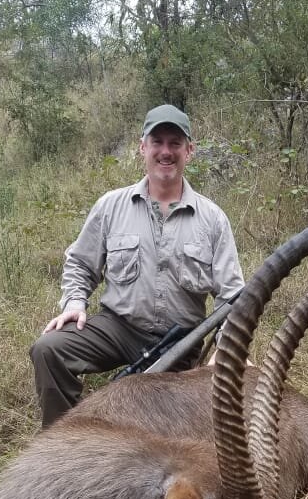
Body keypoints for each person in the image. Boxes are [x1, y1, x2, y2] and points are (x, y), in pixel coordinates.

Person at [30, 104, 244, 426]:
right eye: (157, 142)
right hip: (117, 328)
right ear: (142, 147)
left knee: (175, 428)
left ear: (190, 151)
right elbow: (79, 263)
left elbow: (233, 298)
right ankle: (63, 445)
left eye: (175, 143)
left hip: (180, 342)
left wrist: (226, 350)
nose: (165, 152)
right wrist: (75, 302)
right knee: (49, 349)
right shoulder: (110, 206)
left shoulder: (213, 219)